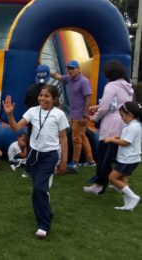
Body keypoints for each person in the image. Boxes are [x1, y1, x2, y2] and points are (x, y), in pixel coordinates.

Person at [2, 84, 69, 239]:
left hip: (50, 156)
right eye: (41, 95)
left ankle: (43, 225)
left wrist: (63, 161)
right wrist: (10, 115)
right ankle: (48, 212)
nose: (42, 98)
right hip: (34, 155)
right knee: (40, 190)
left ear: (54, 99)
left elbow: (64, 138)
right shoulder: (32, 111)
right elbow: (15, 128)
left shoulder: (59, 114)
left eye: (46, 96)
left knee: (39, 189)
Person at [84, 60, 134, 195]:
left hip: (110, 128)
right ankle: (121, 184)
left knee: (104, 157)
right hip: (123, 125)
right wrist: (98, 107)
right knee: (120, 157)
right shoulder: (127, 87)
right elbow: (117, 105)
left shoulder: (111, 86)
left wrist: (94, 117)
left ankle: (99, 185)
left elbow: (106, 107)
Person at [50, 60, 96, 170]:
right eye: (69, 68)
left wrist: (84, 116)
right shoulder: (69, 79)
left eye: (72, 68)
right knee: (82, 137)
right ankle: (91, 161)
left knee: (76, 139)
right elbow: (57, 76)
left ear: (78, 69)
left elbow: (88, 99)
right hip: (74, 114)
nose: (70, 70)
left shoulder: (84, 81)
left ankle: (75, 162)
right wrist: (46, 71)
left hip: (80, 115)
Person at [104, 102, 141, 211]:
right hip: (127, 158)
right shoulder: (132, 125)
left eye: (122, 116)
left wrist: (111, 139)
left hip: (129, 159)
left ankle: (134, 197)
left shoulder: (134, 126)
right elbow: (127, 138)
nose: (121, 118)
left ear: (130, 114)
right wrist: (118, 137)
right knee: (122, 180)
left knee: (112, 178)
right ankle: (128, 205)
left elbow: (126, 143)